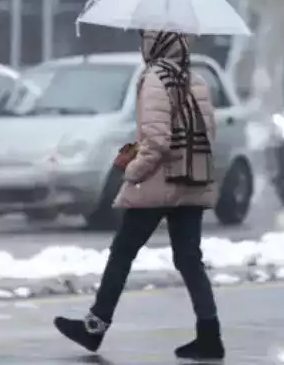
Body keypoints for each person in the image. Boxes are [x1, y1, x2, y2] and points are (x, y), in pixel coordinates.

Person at [53, 30, 224, 360]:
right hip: (193, 177)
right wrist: (140, 147)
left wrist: (132, 170)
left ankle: (94, 328)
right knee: (189, 258)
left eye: (146, 40)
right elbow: (208, 133)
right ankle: (209, 334)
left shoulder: (155, 79)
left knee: (122, 251)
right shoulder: (197, 80)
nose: (142, 46)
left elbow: (158, 141)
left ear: (156, 45)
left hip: (158, 181)